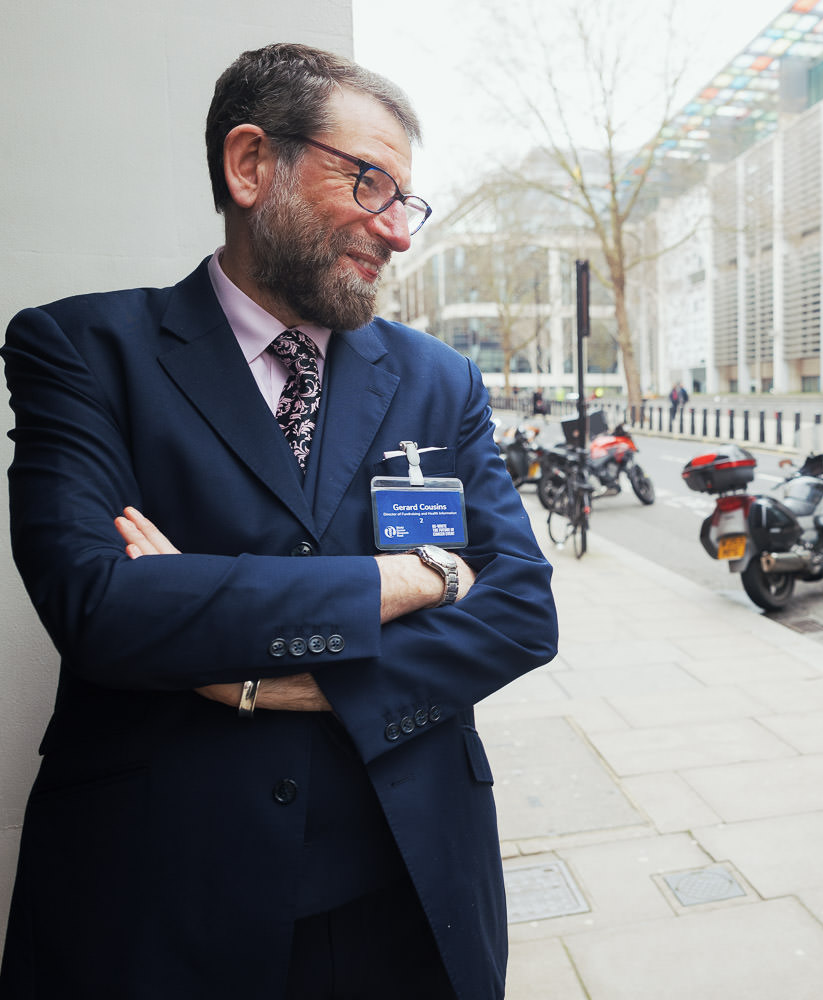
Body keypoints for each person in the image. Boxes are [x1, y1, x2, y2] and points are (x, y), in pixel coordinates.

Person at [0, 44, 558, 999]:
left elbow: (520, 614)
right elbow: (101, 606)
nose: (398, 233)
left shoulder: (439, 380)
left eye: (406, 201)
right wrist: (415, 579)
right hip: (162, 902)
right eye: (371, 183)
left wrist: (273, 680)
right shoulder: (83, 352)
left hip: (413, 892)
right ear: (251, 164)